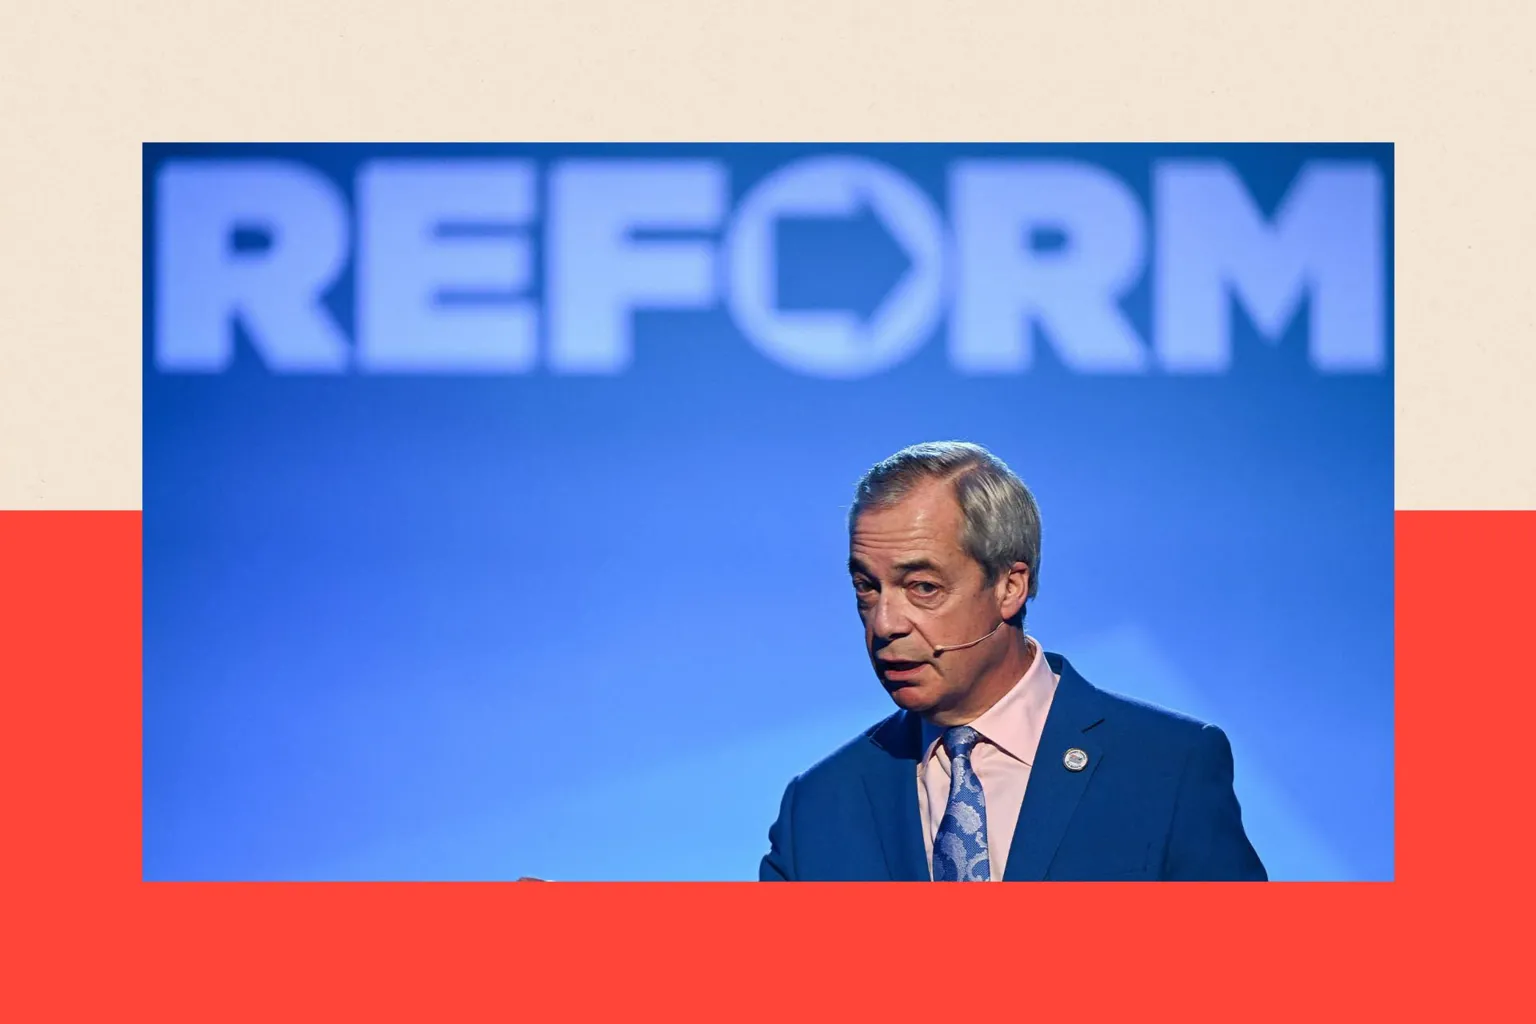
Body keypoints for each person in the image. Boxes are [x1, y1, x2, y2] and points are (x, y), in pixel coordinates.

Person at [759, 441, 1267, 882]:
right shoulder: (821, 806)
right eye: (867, 588)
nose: (885, 623)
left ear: (1009, 587)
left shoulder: (1165, 767)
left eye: (923, 588)